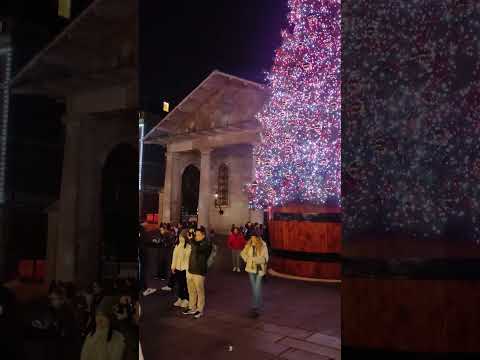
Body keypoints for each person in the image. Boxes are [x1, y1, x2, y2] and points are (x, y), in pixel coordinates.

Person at [182, 226, 212, 319]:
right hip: (191, 270)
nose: (196, 237)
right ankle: (192, 307)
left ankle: (200, 310)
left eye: (198, 235)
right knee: (191, 291)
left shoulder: (206, 244)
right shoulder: (194, 242)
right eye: (196, 235)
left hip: (199, 271)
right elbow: (188, 241)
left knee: (200, 292)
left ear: (203, 236)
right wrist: (190, 235)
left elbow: (197, 249)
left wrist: (192, 240)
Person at [240, 233, 269, 318]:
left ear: (258, 238)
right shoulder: (249, 245)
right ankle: (258, 304)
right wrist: (247, 260)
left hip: (259, 270)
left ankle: (255, 307)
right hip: (250, 269)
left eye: (254, 238)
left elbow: (266, 258)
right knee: (255, 289)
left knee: (256, 288)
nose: (253, 239)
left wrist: (254, 260)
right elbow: (242, 253)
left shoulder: (263, 245)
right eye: (251, 238)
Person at [170, 229, 191, 308]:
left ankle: (187, 299)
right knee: (180, 285)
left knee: (186, 285)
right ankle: (180, 298)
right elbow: (174, 257)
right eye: (179, 236)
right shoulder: (177, 246)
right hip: (178, 268)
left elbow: (188, 258)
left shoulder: (189, 247)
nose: (180, 238)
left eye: (182, 237)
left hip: (185, 269)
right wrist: (173, 267)